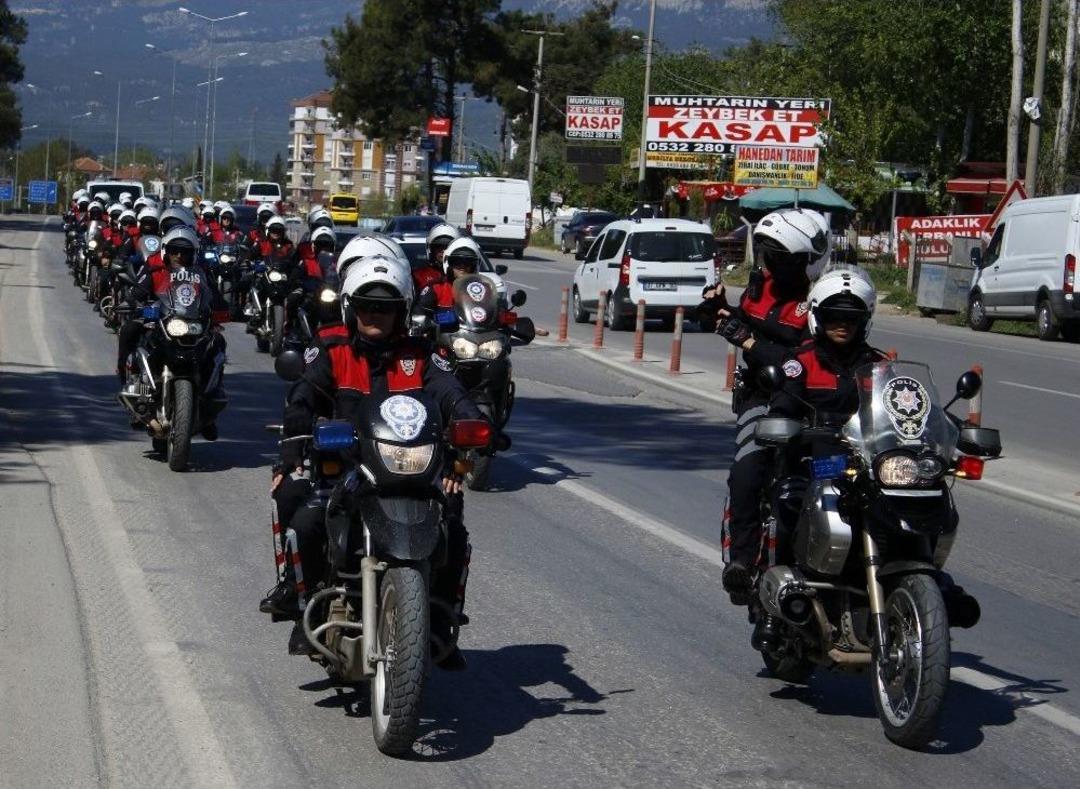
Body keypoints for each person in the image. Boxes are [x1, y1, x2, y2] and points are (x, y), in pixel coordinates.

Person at [262, 253, 484, 669]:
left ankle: (438, 620)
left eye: (386, 307)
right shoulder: (332, 347)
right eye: (367, 306)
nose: (376, 315)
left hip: (409, 468)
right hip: (348, 468)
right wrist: (292, 448)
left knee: (451, 520)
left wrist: (469, 428)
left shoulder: (419, 355)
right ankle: (300, 597)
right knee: (300, 508)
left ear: (401, 311)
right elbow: (303, 397)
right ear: (351, 307)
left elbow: (452, 393)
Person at [711, 209, 831, 606]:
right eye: (769, 255)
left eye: (782, 257)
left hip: (815, 403)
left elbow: (804, 355)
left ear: (807, 261)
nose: (771, 263)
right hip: (763, 400)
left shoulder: (822, 299)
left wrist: (749, 341)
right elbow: (742, 322)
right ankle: (742, 562)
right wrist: (717, 310)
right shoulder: (759, 286)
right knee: (746, 472)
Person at [116, 226, 228, 440]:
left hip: (192, 324)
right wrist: (131, 303)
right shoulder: (155, 269)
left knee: (218, 343)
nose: (179, 256)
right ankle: (125, 377)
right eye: (175, 251)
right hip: (161, 321)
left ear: (193, 254)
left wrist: (226, 310)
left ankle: (211, 399)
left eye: (184, 252)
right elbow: (139, 291)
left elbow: (214, 295)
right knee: (130, 330)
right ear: (166, 251)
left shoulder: (201, 273)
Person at [415, 222, 460, 292]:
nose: (443, 250)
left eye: (448, 247)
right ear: (431, 249)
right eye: (439, 246)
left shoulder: (463, 274)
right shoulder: (418, 276)